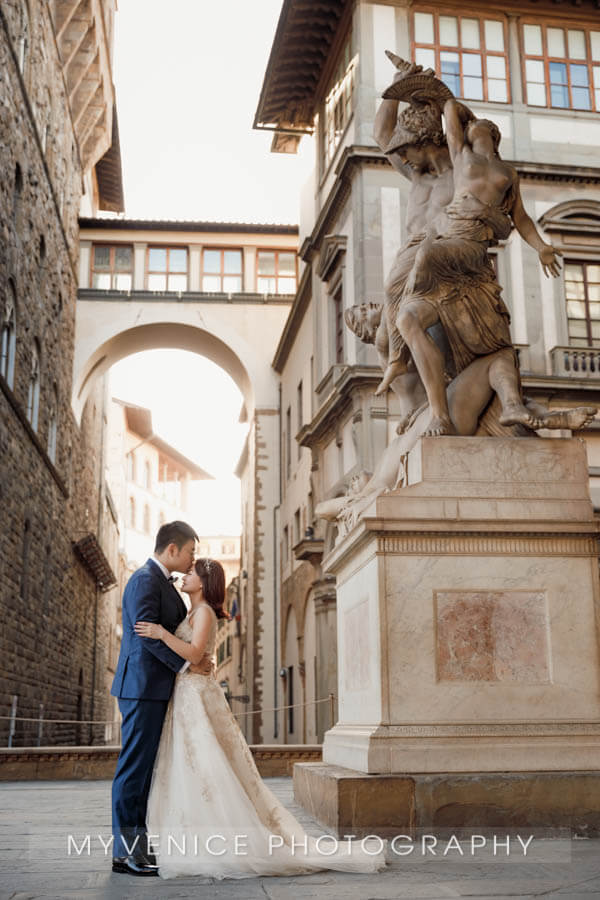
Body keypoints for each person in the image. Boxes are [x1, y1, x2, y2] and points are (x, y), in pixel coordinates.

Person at [134, 558, 388, 879]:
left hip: (196, 697)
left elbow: (196, 654)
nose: (185, 576)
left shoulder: (204, 613)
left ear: (204, 581)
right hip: (188, 695)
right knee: (192, 765)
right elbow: (198, 657)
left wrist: (160, 634)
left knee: (206, 764)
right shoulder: (193, 613)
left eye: (192, 573)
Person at [375, 98, 562, 437]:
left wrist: (542, 247)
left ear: (492, 138)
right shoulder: (462, 158)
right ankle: (433, 410)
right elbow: (443, 111)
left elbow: (520, 218)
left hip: (462, 249)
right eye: (474, 128)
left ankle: (504, 406)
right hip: (442, 247)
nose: (477, 131)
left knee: (425, 255)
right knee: (403, 317)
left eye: (483, 130)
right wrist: (418, 90)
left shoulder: (505, 173)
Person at [111, 520, 213, 877]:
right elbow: (146, 637)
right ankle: (126, 854)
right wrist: (186, 665)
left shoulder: (160, 582)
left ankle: (136, 849)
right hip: (141, 688)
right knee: (134, 771)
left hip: (154, 687)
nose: (192, 559)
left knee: (142, 773)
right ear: (172, 548)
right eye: (189, 552)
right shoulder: (144, 580)